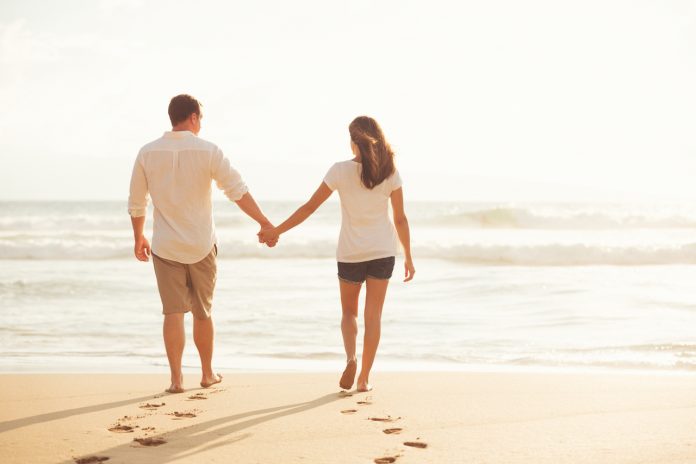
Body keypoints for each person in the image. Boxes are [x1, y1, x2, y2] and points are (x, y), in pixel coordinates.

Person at [128, 94, 277, 393]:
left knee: (172, 312)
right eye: (201, 119)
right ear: (194, 117)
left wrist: (138, 238)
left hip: (165, 246)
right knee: (202, 312)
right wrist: (263, 221)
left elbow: (136, 203)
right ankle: (207, 374)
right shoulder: (208, 151)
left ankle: (176, 380)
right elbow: (237, 191)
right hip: (201, 245)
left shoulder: (147, 152)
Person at [258, 116, 415, 392]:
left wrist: (277, 231)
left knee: (349, 313)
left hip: (351, 253)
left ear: (354, 142)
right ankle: (364, 378)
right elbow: (400, 219)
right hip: (383, 252)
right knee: (373, 316)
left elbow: (309, 207)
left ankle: (351, 358)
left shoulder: (339, 171)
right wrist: (409, 257)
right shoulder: (390, 171)